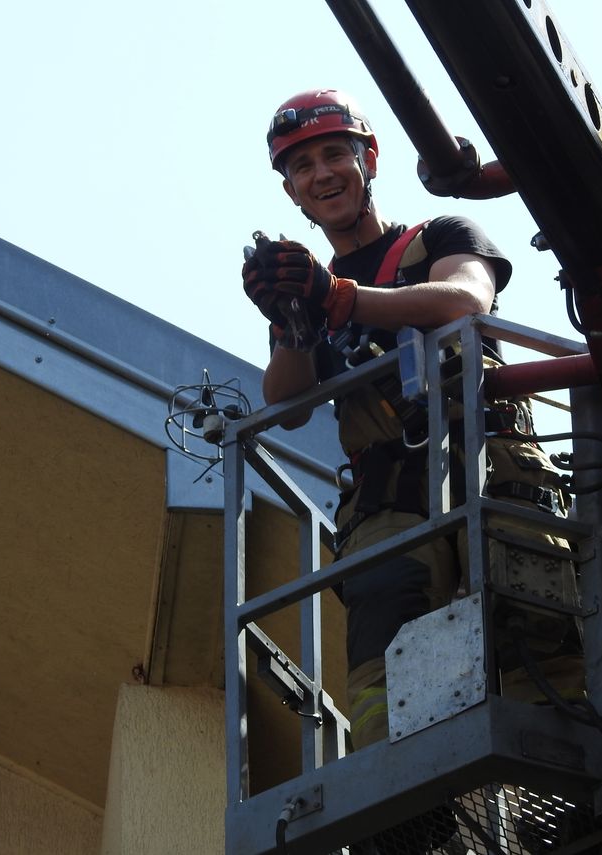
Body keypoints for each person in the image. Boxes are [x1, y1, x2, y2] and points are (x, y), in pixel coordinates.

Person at [241, 89, 577, 756]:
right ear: (291, 193)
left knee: (537, 621)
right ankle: (409, 816)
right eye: (302, 167)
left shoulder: (440, 239)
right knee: (388, 655)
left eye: (336, 154)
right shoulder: (316, 287)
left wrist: (338, 299)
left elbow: (466, 297)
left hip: (491, 467)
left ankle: (570, 778)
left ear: (369, 159)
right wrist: (293, 319)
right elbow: (288, 400)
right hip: (388, 496)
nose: (323, 175)